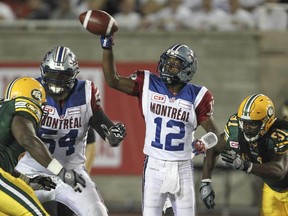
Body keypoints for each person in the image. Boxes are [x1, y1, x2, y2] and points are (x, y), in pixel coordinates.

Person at [99, 35, 221, 216]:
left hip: (182, 167)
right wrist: (107, 47)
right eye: (167, 62)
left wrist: (202, 145)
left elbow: (215, 136)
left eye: (175, 64)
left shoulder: (198, 95)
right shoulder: (148, 83)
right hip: (154, 165)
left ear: (187, 70)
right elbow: (113, 80)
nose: (168, 67)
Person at [15, 46, 127, 216]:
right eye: (52, 74)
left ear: (73, 75)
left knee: (97, 212)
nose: (56, 80)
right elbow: (27, 139)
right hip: (32, 172)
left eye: (62, 75)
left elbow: (106, 130)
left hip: (72, 173)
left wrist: (113, 136)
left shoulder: (86, 93)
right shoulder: (32, 91)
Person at [0, 76, 86, 215]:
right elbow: (27, 139)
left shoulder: (4, 112)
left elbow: (5, 168)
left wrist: (29, 180)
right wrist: (61, 172)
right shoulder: (22, 105)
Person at [201, 93, 288, 215]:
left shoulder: (279, 135)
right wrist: (205, 182)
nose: (247, 128)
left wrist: (246, 165)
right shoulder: (235, 129)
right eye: (244, 122)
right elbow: (214, 146)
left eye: (253, 124)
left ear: (267, 122)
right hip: (271, 188)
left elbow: (280, 171)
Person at [42, 127, 97, 216]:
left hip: (69, 176)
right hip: (45, 174)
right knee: (47, 210)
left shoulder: (78, 115)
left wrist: (82, 175)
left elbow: (90, 143)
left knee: (66, 212)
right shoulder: (39, 115)